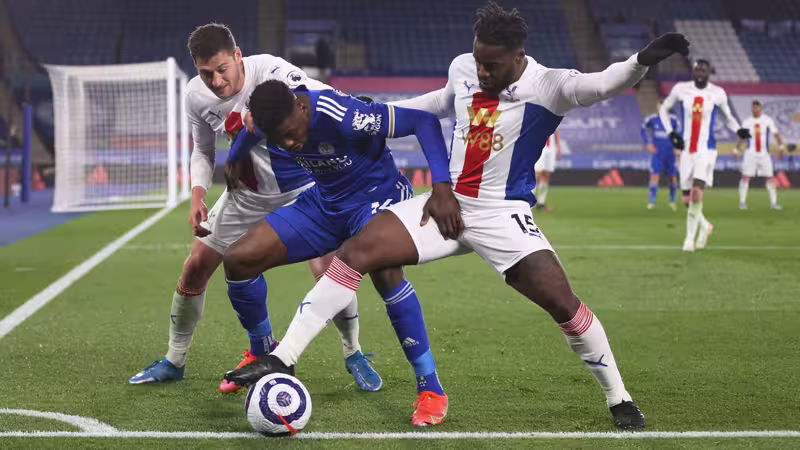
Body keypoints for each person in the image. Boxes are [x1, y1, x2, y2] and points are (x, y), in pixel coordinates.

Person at [225, 2, 691, 429]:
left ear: (518, 56)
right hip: (446, 205)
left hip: (503, 213)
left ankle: (618, 397)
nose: (481, 71)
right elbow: (439, 104)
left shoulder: (551, 86)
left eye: (492, 65)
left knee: (563, 305)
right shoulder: (465, 68)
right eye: (478, 60)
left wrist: (641, 60)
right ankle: (284, 357)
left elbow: (604, 83)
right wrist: (380, 113)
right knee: (357, 250)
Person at [129, 23, 381, 394]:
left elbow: (319, 95)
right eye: (206, 73)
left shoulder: (272, 70)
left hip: (302, 190)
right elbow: (203, 150)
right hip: (245, 195)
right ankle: (177, 359)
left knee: (329, 270)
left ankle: (353, 352)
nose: (216, 81)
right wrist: (197, 195)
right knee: (195, 267)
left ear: (237, 56)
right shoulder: (196, 96)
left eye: (222, 69)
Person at [221, 78, 460, 426]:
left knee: (385, 273)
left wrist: (442, 186)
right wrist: (234, 158)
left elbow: (422, 121)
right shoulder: (270, 120)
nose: (289, 143)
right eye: (279, 138)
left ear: (301, 107)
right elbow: (252, 130)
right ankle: (262, 352)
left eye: (291, 133)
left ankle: (431, 388)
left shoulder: (343, 114)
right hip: (326, 203)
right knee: (238, 259)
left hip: (377, 197)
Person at [659, 59, 750, 252]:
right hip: (687, 150)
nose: (700, 72)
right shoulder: (681, 89)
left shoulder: (717, 93)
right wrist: (671, 133)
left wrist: (739, 130)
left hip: (706, 150)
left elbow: (728, 118)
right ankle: (704, 226)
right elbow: (663, 109)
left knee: (696, 193)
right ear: (693, 71)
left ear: (709, 72)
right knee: (687, 199)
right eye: (697, 69)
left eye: (703, 70)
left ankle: (689, 241)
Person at [737, 100, 785, 210]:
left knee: (770, 177)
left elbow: (776, 134)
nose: (755, 110)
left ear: (760, 108)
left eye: (757, 108)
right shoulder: (747, 122)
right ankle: (742, 202)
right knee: (745, 177)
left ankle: (774, 203)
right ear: (751, 109)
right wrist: (736, 150)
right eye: (753, 108)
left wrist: (781, 147)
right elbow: (742, 138)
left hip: (764, 154)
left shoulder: (767, 120)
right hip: (750, 154)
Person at [641, 100, 680, 210]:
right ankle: (652, 201)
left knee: (672, 177)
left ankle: (672, 201)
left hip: (670, 153)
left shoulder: (673, 120)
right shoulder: (652, 119)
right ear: (657, 107)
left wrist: (678, 146)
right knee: (654, 175)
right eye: (660, 106)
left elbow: (680, 133)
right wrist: (647, 143)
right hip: (658, 153)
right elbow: (643, 129)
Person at [533, 128, 561, 211]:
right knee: (536, 173)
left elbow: (557, 129)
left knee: (546, 174)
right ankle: (529, 201)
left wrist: (558, 145)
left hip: (551, 147)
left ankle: (541, 202)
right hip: (539, 144)